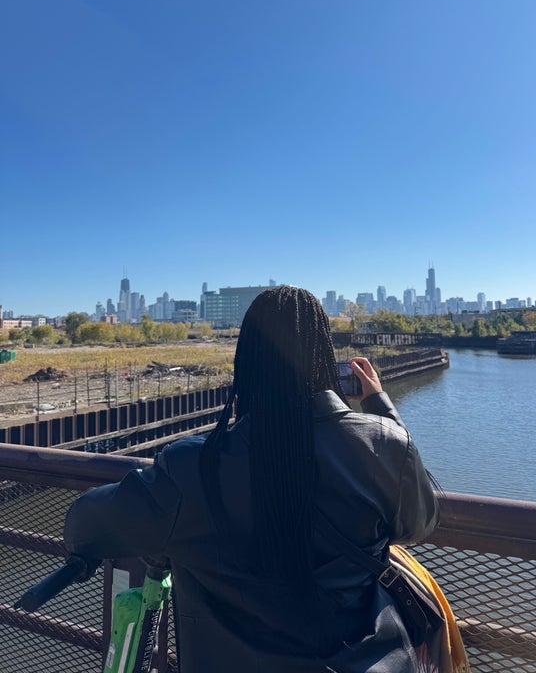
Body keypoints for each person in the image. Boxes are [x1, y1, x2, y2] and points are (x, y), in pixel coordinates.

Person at [64, 286, 439, 672]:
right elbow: (419, 523)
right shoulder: (383, 444)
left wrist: (154, 497)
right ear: (326, 357)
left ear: (247, 363)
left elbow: (84, 526)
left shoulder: (191, 466)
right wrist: (380, 408)